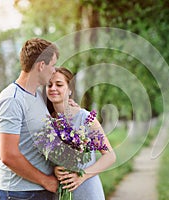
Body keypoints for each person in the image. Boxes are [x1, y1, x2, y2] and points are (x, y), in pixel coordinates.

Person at [0, 38, 60, 200]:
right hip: (19, 194)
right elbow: (8, 155)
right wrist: (46, 181)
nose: (54, 70)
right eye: (52, 64)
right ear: (41, 65)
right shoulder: (12, 99)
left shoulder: (37, 96)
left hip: (40, 191)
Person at [43, 67, 116, 200]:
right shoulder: (47, 122)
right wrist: (54, 169)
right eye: (49, 85)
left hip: (88, 191)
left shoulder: (86, 118)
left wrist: (82, 175)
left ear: (70, 89)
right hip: (60, 193)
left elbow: (110, 156)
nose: (53, 88)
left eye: (59, 84)